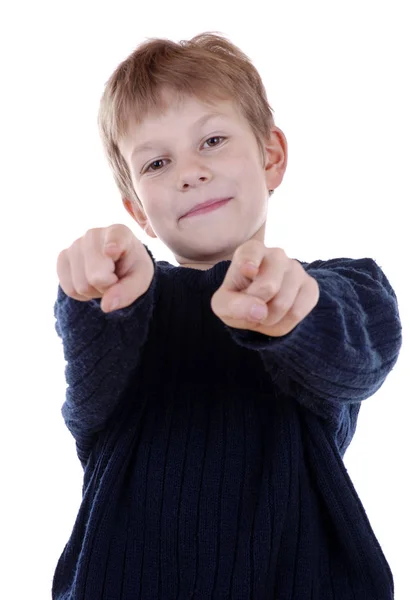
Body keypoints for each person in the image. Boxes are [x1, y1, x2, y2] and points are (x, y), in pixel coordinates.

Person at [52, 32, 402, 599]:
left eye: (212, 140)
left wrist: (291, 307)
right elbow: (86, 401)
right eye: (158, 162)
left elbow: (360, 358)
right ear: (137, 208)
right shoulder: (122, 294)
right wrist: (104, 292)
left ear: (271, 156)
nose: (189, 172)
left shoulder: (335, 285)